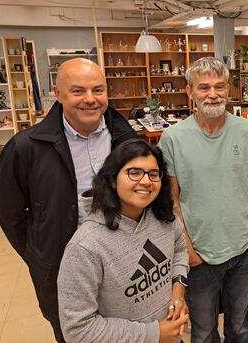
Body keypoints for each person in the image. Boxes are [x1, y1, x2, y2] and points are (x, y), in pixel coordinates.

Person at [0, 58, 136, 343]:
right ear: (57, 94)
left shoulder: (127, 140)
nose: (90, 100)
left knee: (126, 333)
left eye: (98, 90)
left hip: (123, 267)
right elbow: (9, 213)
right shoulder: (26, 148)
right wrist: (40, 254)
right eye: (78, 91)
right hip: (62, 272)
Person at [158, 57, 248, 343]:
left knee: (240, 325)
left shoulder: (247, 130)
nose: (213, 94)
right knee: (204, 331)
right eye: (204, 87)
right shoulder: (173, 138)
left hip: (244, 250)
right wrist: (188, 252)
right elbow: (173, 201)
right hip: (200, 255)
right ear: (189, 91)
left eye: (220, 86)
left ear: (229, 89)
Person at [57, 139, 189, 343]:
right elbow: (78, 330)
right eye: (134, 172)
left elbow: (180, 250)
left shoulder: (163, 216)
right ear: (112, 179)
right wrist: (154, 334)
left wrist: (178, 292)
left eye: (153, 174)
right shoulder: (85, 247)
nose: (146, 181)